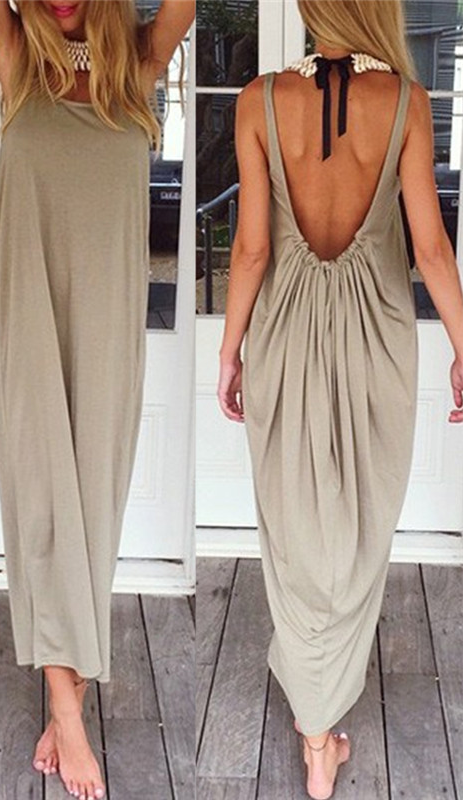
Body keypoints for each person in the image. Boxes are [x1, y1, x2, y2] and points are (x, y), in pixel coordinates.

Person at [217, 1, 463, 798]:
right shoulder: (407, 102)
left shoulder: (259, 101)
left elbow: (252, 248)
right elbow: (431, 248)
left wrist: (230, 349)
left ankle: (315, 731)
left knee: (292, 523)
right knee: (361, 522)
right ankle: (324, 720)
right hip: (377, 337)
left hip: (285, 332)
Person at [0, 1, 194, 798]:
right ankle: (67, 714)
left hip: (106, 324)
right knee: (42, 502)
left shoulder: (139, 63)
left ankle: (64, 690)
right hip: (22, 312)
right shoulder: (16, 58)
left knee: (91, 507)